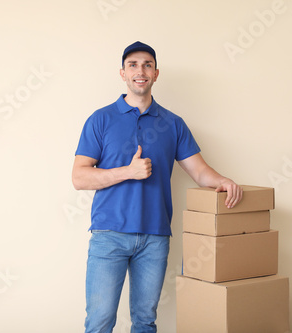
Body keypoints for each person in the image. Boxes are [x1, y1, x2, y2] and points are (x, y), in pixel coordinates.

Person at [72, 41, 243, 333]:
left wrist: (223, 180)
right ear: (123, 73)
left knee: (145, 322)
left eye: (147, 65)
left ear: (156, 73)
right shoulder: (100, 119)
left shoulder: (173, 124)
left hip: (155, 237)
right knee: (99, 322)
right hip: (108, 235)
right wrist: (128, 171)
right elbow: (79, 177)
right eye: (133, 65)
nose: (141, 71)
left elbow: (200, 172)